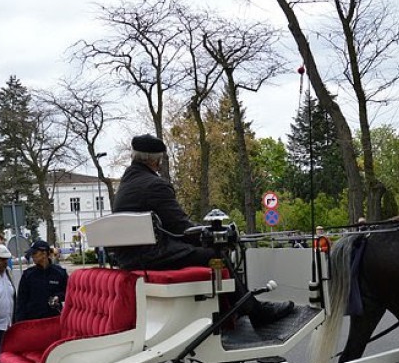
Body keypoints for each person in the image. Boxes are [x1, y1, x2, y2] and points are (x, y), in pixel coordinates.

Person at [110, 133, 294, 329]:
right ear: (156, 161)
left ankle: (233, 309)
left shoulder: (126, 184)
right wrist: (212, 236)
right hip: (151, 258)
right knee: (217, 255)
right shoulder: (154, 185)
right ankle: (255, 312)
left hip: (129, 259)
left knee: (205, 252)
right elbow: (181, 228)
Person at [15, 240, 68, 322]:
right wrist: (19, 323)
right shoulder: (28, 275)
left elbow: (69, 293)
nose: (32, 256)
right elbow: (20, 302)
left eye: (34, 253)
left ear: (44, 254)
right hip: (33, 322)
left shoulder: (60, 273)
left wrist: (58, 297)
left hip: (54, 320)